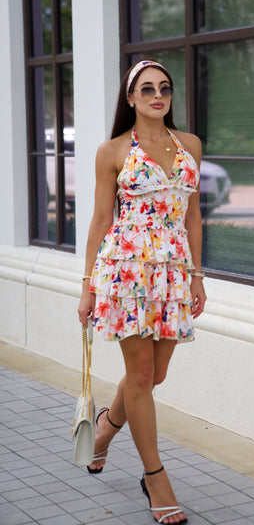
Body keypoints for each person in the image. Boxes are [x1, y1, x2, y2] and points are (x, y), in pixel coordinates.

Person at [77, 59, 206, 525]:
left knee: (152, 378)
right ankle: (155, 477)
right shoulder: (112, 151)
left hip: (172, 274)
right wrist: (88, 287)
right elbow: (99, 221)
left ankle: (104, 431)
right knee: (142, 370)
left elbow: (192, 218)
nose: (158, 95)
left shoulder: (188, 144)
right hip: (125, 273)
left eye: (165, 88)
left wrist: (197, 276)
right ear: (130, 98)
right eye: (147, 89)